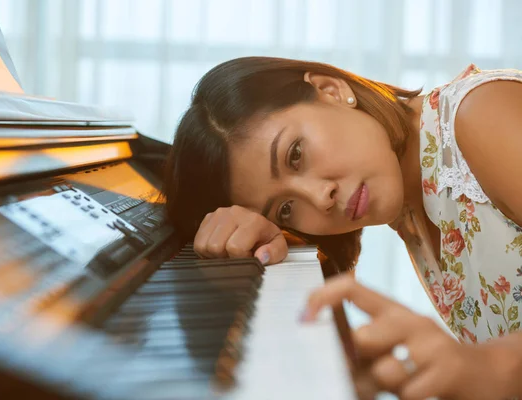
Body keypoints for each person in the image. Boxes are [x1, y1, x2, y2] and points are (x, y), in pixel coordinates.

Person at [162, 57, 522, 399]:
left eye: (295, 154)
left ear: (332, 90)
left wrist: (493, 366)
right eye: (285, 209)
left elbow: (497, 367)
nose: (320, 198)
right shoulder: (411, 208)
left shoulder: (480, 115)